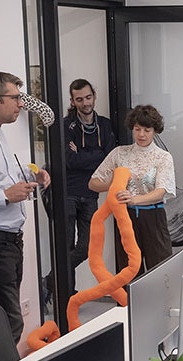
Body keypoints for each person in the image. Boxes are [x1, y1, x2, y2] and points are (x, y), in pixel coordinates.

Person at [0, 70, 50, 343]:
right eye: (15, 98)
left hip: (12, 239)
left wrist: (31, 176)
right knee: (9, 322)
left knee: (8, 319)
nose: (21, 104)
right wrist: (5, 196)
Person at [90, 104, 177, 273]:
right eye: (137, 129)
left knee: (160, 268)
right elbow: (93, 182)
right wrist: (115, 184)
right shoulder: (119, 153)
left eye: (147, 130)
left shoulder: (163, 157)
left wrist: (134, 199)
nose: (141, 135)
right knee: (128, 270)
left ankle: (160, 301)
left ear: (155, 131)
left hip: (153, 217)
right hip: (125, 217)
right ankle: (127, 301)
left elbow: (161, 191)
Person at [63, 79, 115, 288]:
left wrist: (84, 155)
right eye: (79, 99)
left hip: (91, 193)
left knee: (86, 248)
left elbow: (109, 158)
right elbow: (69, 160)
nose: (85, 103)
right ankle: (67, 293)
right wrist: (96, 155)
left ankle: (49, 281)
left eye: (88, 97)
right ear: (73, 101)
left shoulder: (105, 124)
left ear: (94, 95)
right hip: (68, 192)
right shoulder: (67, 125)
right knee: (66, 246)